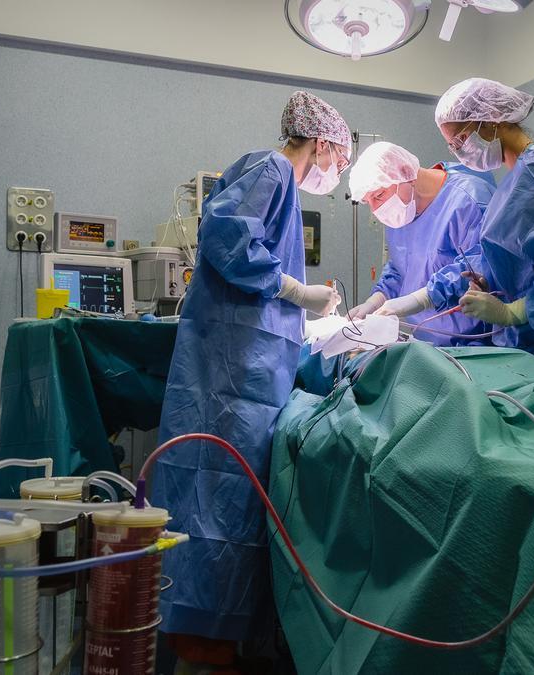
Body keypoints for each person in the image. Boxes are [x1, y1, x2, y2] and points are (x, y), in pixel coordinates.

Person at [152, 91, 348, 668]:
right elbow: (227, 238)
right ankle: (201, 637)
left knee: (233, 497)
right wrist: (297, 291)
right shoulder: (272, 167)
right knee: (216, 493)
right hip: (230, 372)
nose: (335, 170)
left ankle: (218, 631)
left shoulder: (281, 182)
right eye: (337, 156)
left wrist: (301, 307)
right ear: (323, 144)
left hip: (250, 369)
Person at [379, 78, 534, 388]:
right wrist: (491, 284)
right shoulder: (513, 180)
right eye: (451, 146)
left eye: (461, 139)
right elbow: (525, 263)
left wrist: (513, 311)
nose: (458, 153)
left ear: (491, 121)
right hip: (530, 350)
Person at [346, 141, 496, 345]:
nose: (375, 209)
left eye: (378, 195)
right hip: (424, 344)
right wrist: (374, 302)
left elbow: (482, 265)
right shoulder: (403, 211)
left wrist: (422, 299)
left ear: (407, 174)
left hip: (472, 345)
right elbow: (400, 268)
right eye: (367, 201)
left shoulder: (468, 200)